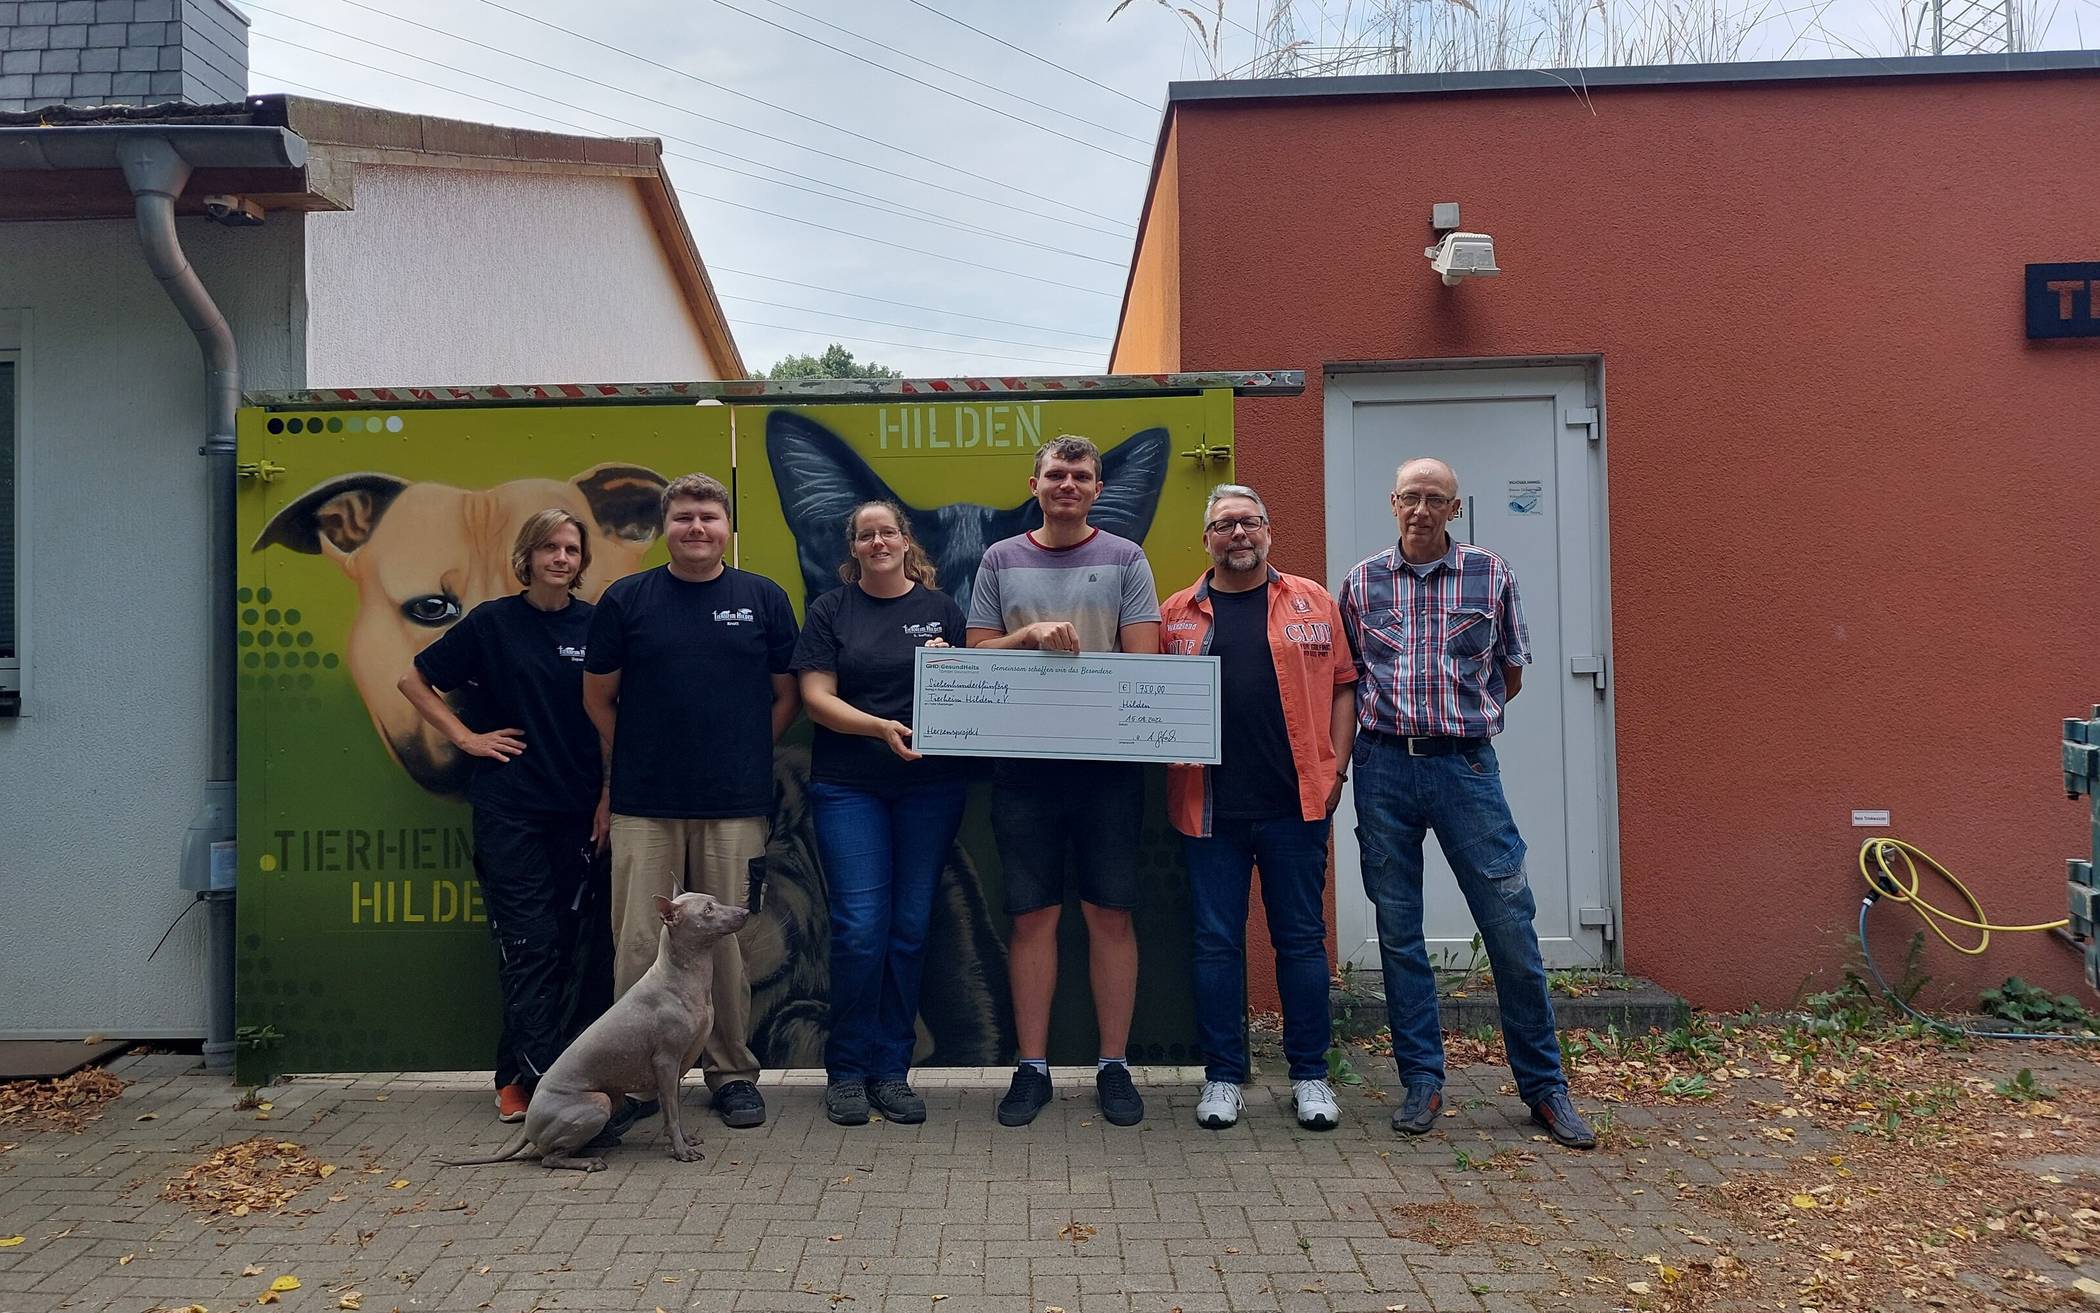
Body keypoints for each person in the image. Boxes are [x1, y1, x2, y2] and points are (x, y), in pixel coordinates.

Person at [1339, 458, 1596, 1149]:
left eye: (1436, 499)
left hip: (1466, 769)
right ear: (1392, 503)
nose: (1421, 509)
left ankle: (1545, 1088)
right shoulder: (1361, 583)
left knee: (1510, 924)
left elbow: (1510, 673)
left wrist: (1458, 722)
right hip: (1384, 767)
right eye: (1410, 497)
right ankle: (1421, 1079)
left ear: (1455, 509)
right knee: (1398, 931)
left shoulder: (1492, 574)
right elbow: (1351, 678)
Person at [582, 472, 799, 1130]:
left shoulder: (761, 598)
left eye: (708, 517)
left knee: (729, 944)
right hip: (645, 802)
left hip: (734, 802)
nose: (696, 528)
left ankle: (731, 1071)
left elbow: (787, 694)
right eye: (683, 519)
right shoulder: (627, 599)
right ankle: (634, 1083)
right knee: (640, 942)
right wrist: (644, 751)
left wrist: (743, 750)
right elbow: (597, 696)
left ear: (727, 526)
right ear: (665, 528)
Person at [966, 434, 1162, 1128]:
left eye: (1081, 474)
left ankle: (1114, 1065)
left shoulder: (1126, 557)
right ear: (1036, 483)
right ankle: (1032, 1067)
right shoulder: (1000, 558)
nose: (1069, 483)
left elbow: (1143, 657)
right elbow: (976, 653)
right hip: (1022, 767)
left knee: (1111, 913)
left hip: (1108, 769)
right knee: (1032, 916)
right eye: (1057, 473)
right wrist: (1031, 635)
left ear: (1096, 489)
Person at [396, 508, 611, 1124]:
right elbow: (413, 681)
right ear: (528, 557)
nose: (560, 558)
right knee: (530, 941)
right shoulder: (493, 623)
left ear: (581, 560)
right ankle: (540, 1083)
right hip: (509, 808)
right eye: (548, 548)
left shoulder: (598, 626)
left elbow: (609, 719)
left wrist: (605, 797)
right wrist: (466, 738)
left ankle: (516, 1074)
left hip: (577, 811)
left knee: (568, 945)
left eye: (571, 549)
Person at [1159, 485, 1357, 1131]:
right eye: (1223, 524)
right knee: (1216, 944)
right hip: (1208, 806)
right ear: (1207, 538)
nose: (1237, 533)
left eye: (1248, 522)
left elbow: (1346, 688)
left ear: (1268, 530)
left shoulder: (1313, 600)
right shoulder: (1176, 614)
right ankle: (1222, 1077)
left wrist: (1336, 771)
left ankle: (1310, 1076)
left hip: (1295, 804)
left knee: (1300, 941)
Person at [793, 500, 970, 1128]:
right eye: (865, 535)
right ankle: (846, 1071)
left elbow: (971, 686)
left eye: (886, 532)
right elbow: (815, 699)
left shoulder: (940, 610)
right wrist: (879, 728)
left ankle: (891, 1071)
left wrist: (954, 664)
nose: (877, 542)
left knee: (910, 929)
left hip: (931, 788)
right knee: (861, 927)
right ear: (854, 548)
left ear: (905, 541)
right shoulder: (830, 610)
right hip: (850, 787)